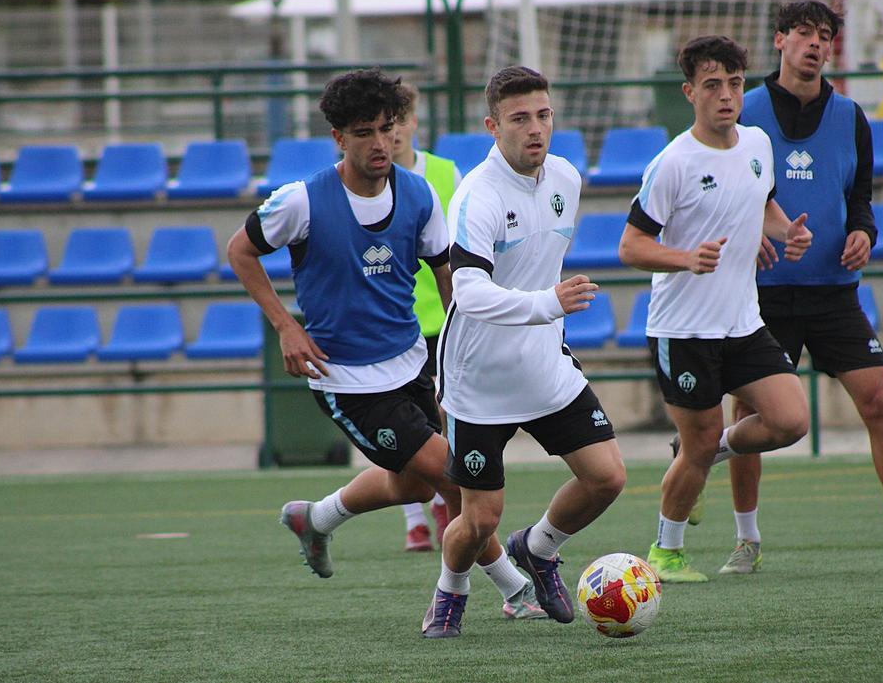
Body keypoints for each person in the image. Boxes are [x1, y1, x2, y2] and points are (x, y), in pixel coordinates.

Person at [225, 68, 544, 626]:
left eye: (387, 128)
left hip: (411, 364)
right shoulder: (301, 202)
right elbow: (240, 251)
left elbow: (449, 277)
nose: (381, 142)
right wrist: (286, 326)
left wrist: (467, 353)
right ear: (339, 139)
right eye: (365, 131)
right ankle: (515, 588)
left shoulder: (418, 192)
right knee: (454, 473)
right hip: (347, 380)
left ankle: (317, 518)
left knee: (416, 483)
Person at [725, 0, 883, 575]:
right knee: (748, 409)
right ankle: (746, 540)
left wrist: (862, 233)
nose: (816, 43)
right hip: (763, 294)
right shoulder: (743, 112)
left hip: (833, 291)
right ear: (779, 40)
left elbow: (860, 198)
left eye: (825, 35)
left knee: (878, 397)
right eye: (804, 32)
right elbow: (722, 196)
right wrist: (749, 237)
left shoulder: (850, 115)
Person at [422, 65, 627, 637]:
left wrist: (547, 311)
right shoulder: (476, 197)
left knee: (607, 478)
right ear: (493, 126)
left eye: (543, 115)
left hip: (544, 366)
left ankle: (538, 550)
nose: (535, 129)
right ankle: (450, 592)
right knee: (479, 517)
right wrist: (548, 303)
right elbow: (467, 290)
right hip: (479, 378)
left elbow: (542, 266)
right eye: (519, 119)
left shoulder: (565, 178)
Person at [618, 35, 813, 584]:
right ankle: (665, 551)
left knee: (790, 419)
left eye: (734, 84)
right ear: (689, 93)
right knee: (700, 444)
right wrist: (685, 258)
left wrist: (785, 232)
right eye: (712, 86)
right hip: (683, 329)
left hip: (742, 321)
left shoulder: (757, 144)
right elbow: (631, 247)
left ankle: (699, 454)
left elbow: (763, 201)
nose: (726, 95)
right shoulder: (672, 163)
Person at [392, 82, 461, 553]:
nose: (391, 133)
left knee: (444, 415)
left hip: (442, 318)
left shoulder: (443, 172)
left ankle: (442, 496)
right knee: (402, 424)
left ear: (414, 122)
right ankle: (414, 518)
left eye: (399, 121)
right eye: (382, 124)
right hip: (395, 323)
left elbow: (455, 243)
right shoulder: (361, 183)